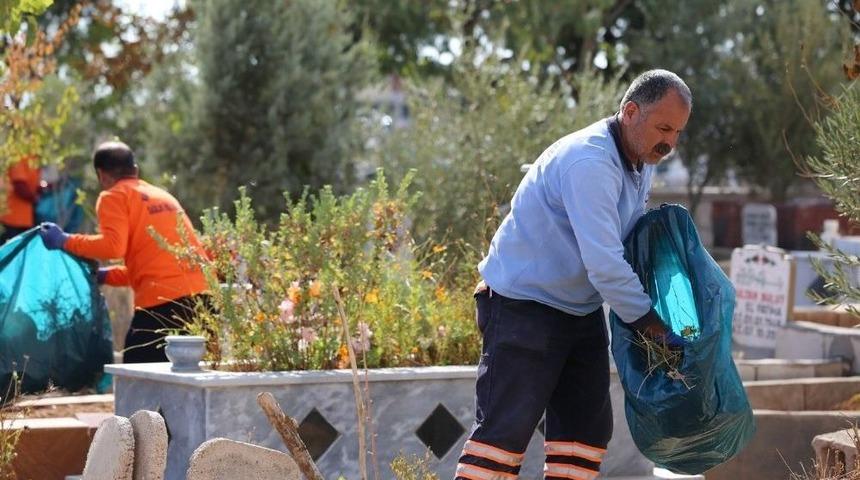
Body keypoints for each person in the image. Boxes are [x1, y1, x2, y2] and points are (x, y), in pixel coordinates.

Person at [454, 69, 692, 480]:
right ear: (630, 112)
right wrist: (654, 328)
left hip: (577, 309)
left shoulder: (641, 158)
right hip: (523, 304)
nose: (670, 142)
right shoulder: (590, 161)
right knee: (502, 439)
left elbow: (624, 243)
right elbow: (605, 263)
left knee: (583, 437)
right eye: (664, 128)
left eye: (678, 132)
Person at [39, 141, 210, 363]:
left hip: (163, 305)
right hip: (203, 301)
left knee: (135, 377)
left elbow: (113, 246)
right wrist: (106, 275)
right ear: (135, 170)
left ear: (102, 176)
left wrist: (65, 240)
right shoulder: (162, 196)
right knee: (188, 378)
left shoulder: (114, 196)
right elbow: (157, 266)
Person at [1, 155, 41, 243]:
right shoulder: (19, 157)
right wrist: (35, 198)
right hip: (11, 219)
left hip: (24, 220)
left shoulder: (34, 158)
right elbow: (20, 186)